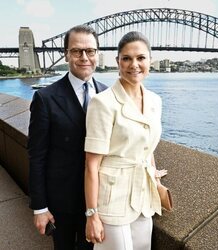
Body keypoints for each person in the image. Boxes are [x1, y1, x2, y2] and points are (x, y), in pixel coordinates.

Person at [28, 24, 107, 250]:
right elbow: (36, 156)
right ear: (66, 54)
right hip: (61, 202)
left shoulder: (108, 93)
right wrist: (40, 207)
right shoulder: (45, 98)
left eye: (90, 51)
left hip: (99, 200)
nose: (84, 57)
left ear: (97, 54)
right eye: (76, 51)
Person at [84, 31, 166, 250]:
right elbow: (92, 164)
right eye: (127, 58)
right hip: (112, 198)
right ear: (117, 62)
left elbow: (147, 149)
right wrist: (92, 214)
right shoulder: (102, 103)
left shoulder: (155, 101)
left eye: (141, 58)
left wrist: (156, 181)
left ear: (150, 60)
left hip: (143, 196)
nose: (134, 65)